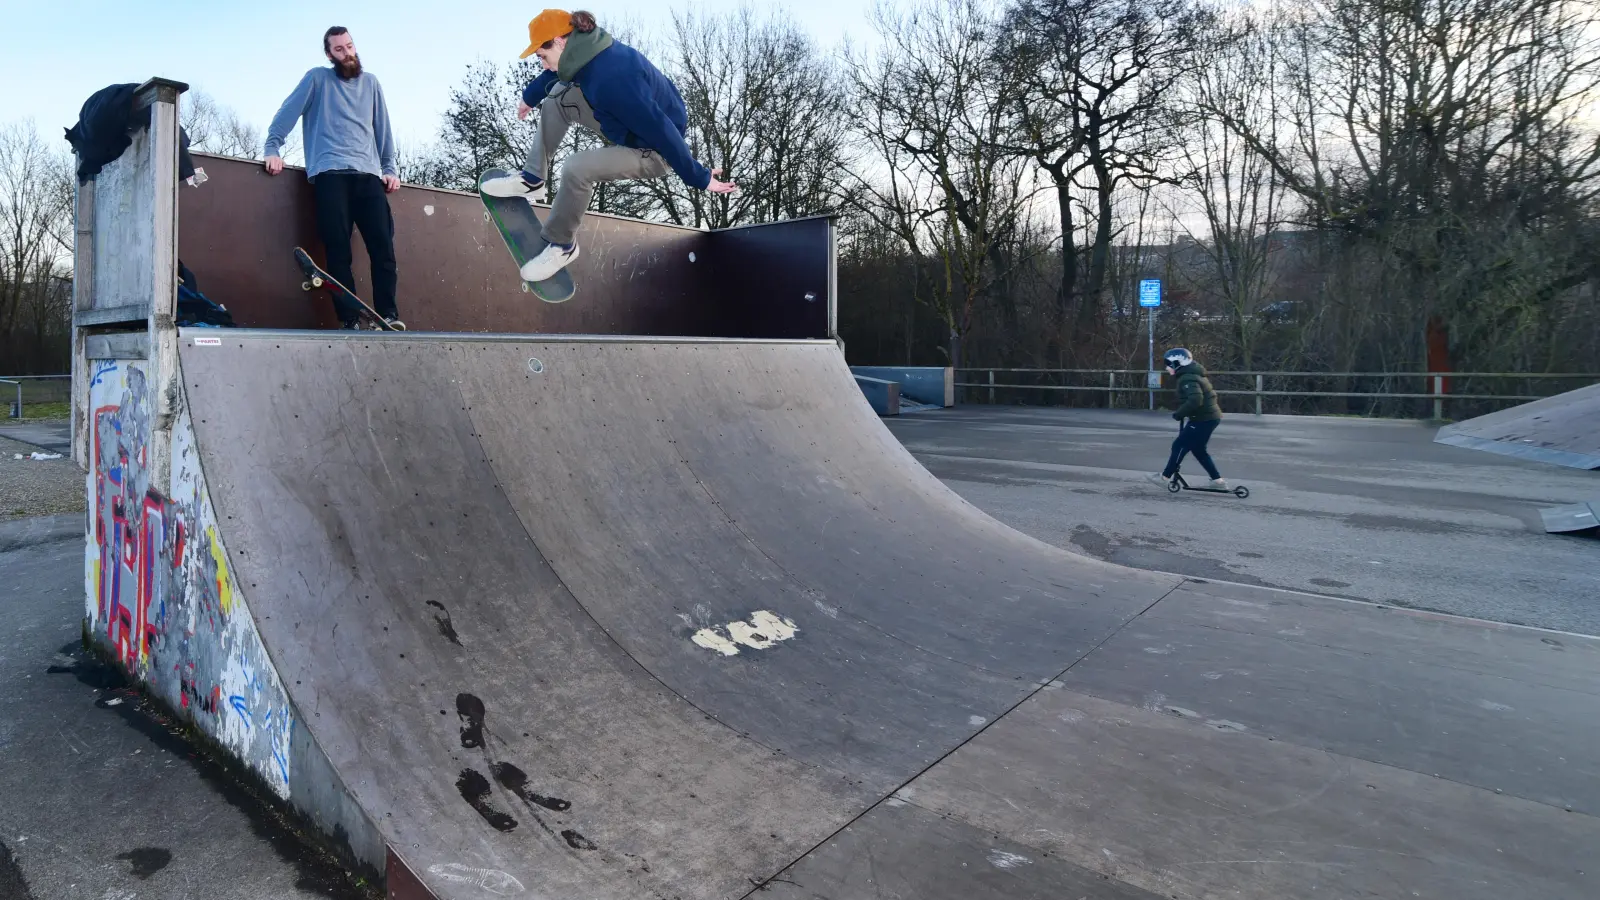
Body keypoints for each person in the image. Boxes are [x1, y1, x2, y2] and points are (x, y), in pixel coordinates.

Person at [479, 9, 738, 282]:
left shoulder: (612, 77)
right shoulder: (585, 50)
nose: (542, 64)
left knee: (577, 168)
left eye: (542, 57)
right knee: (558, 95)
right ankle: (533, 178)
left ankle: (562, 246)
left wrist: (698, 176)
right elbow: (558, 73)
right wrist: (529, 97)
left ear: (560, 41)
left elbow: (661, 129)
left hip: (655, 149)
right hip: (624, 124)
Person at [264, 26, 404, 330]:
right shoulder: (317, 78)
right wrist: (273, 146)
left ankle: (388, 317)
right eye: (339, 49)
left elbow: (383, 128)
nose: (348, 53)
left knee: (383, 249)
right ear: (329, 54)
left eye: (350, 46)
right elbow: (286, 113)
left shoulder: (371, 83)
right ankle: (349, 319)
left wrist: (390, 168)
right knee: (338, 251)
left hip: (368, 177)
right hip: (330, 176)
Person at [1149, 348, 1228, 489]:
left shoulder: (1188, 378)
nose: (1167, 368)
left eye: (1169, 364)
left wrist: (1180, 413)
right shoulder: (1192, 374)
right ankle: (1218, 481)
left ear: (1177, 363)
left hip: (1203, 418)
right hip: (1208, 417)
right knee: (1198, 450)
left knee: (1179, 445)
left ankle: (1165, 477)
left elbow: (1196, 399)